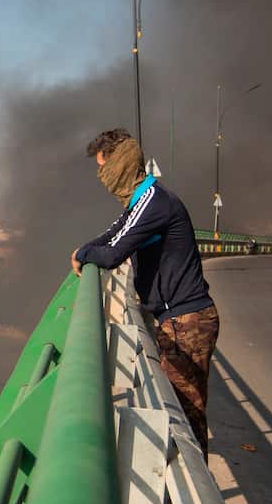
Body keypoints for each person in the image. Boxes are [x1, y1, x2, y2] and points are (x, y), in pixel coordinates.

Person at [71, 129, 220, 460]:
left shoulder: (153, 202)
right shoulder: (141, 201)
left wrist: (84, 255)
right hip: (177, 319)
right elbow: (115, 233)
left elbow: (112, 254)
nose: (102, 178)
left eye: (104, 168)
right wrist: (84, 249)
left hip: (187, 321)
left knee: (185, 419)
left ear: (121, 163)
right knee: (181, 413)